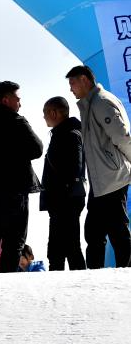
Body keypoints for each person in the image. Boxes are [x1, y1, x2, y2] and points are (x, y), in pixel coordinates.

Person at [0, 81, 43, 275]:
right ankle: (8, 284)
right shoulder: (16, 121)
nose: (20, 103)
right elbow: (37, 149)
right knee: (14, 241)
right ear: (5, 100)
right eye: (17, 99)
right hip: (14, 190)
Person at [67, 65, 131, 268]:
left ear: (84, 80)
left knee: (117, 230)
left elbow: (122, 136)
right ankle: (94, 276)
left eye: (72, 83)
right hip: (100, 181)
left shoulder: (101, 102)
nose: (70, 89)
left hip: (112, 177)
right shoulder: (90, 104)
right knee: (94, 232)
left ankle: (125, 272)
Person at [40, 96, 87, 271]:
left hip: (65, 201)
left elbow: (75, 168)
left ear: (54, 113)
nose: (44, 117)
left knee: (69, 249)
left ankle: (81, 283)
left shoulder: (70, 134)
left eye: (45, 113)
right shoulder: (63, 133)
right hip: (62, 200)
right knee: (58, 250)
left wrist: (62, 191)